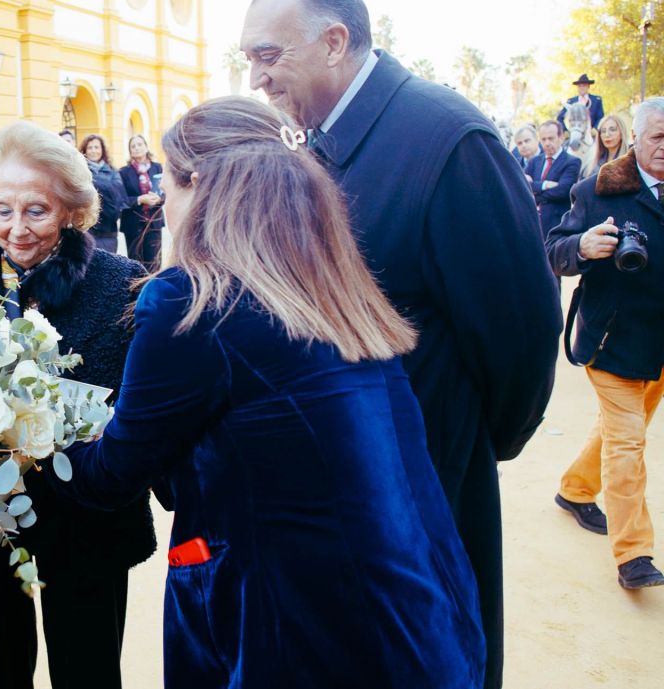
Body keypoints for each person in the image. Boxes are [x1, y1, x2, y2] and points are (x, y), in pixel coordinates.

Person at [51, 95, 485, 688]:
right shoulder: (331, 284)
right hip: (419, 608)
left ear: (196, 186)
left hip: (296, 630)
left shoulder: (193, 300)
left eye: (170, 187)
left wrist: (25, 433)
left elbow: (112, 473)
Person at [239, 2, 562, 687]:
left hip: (427, 492)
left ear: (333, 43)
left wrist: (462, 442)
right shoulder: (320, 141)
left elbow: (523, 336)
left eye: (268, 56)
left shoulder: (446, 140)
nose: (256, 81)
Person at [0, 121, 156, 689]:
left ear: (71, 209)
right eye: (1, 210)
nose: (16, 228)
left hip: (86, 519)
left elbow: (137, 408)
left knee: (88, 668)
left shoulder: (121, 285)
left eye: (36, 210)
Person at [548, 97, 664, 590]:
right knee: (628, 442)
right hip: (613, 343)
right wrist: (583, 247)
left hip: (660, 350)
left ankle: (575, 490)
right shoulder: (596, 190)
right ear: (636, 138)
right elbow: (554, 251)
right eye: (658, 136)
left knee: (623, 431)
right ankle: (633, 555)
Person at [527, 121, 581, 238]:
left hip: (556, 225)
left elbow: (563, 191)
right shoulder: (533, 162)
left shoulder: (572, 162)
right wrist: (544, 185)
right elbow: (522, 186)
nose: (547, 143)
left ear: (561, 138)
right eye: (543, 139)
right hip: (532, 223)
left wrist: (534, 196)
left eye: (551, 138)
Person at [118, 134, 164, 268]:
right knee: (135, 264)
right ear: (130, 151)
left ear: (146, 147)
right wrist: (140, 199)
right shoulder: (124, 172)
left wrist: (159, 199)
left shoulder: (158, 168)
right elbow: (121, 199)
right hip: (133, 224)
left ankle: (154, 289)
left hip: (154, 222)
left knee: (154, 264)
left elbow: (166, 192)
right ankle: (137, 290)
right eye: (133, 146)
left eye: (140, 144)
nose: (137, 148)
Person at [81, 133, 129, 253]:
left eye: (96, 147)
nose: (93, 151)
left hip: (109, 230)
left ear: (102, 150)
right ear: (85, 150)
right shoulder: (80, 171)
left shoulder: (112, 171)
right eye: (90, 147)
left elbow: (120, 198)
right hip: (88, 229)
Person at [582, 113, 631, 179]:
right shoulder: (593, 164)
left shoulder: (631, 159)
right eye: (603, 131)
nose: (607, 135)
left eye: (612, 129)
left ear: (622, 133)